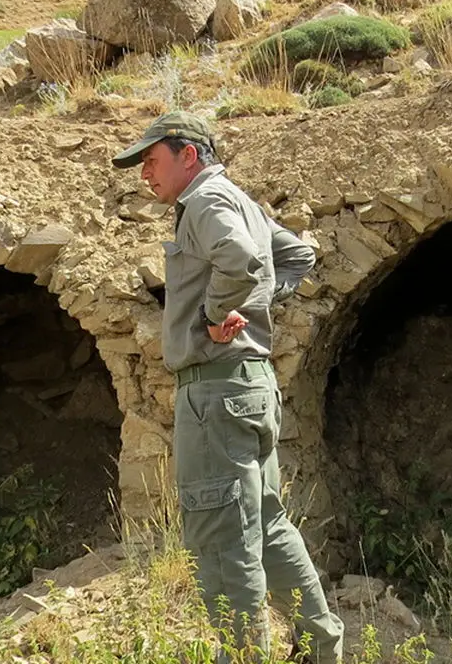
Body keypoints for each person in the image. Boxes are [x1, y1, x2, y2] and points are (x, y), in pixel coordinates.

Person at [113, 111, 344, 663]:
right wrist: (254, 303)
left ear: (187, 154)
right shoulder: (240, 200)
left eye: (151, 159)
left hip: (216, 390)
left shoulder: (205, 202)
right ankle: (322, 647)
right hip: (251, 385)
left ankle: (243, 656)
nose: (145, 173)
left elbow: (238, 261)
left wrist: (220, 313)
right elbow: (295, 257)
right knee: (263, 523)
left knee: (221, 534)